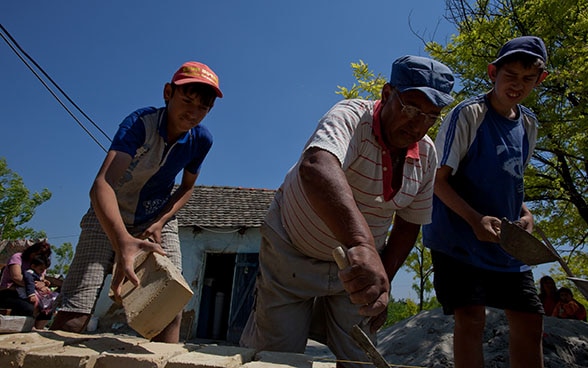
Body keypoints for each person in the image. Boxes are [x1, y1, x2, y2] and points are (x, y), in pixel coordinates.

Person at [240, 55, 455, 367]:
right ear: (386, 94)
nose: (418, 125)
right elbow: (315, 167)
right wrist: (362, 244)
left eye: (430, 116)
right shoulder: (352, 117)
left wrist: (382, 280)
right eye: (410, 108)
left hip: (356, 267)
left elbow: (409, 223)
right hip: (292, 251)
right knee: (277, 355)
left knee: (359, 357)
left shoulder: (426, 156)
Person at [50, 61, 223, 343]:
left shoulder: (201, 140)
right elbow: (101, 185)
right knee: (76, 309)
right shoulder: (140, 124)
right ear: (168, 93)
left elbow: (187, 188)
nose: (192, 112)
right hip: (108, 214)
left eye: (202, 108)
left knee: (169, 302)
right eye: (187, 100)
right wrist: (122, 241)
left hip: (154, 218)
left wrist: (161, 221)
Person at [422, 36, 549, 368]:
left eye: (528, 78)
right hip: (458, 237)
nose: (517, 85)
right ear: (493, 72)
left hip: (505, 241)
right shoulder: (468, 115)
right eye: (510, 75)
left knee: (530, 319)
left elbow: (511, 180)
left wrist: (525, 213)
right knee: (471, 317)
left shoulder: (529, 124)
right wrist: (475, 219)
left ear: (540, 80)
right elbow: (437, 181)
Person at [0, 240, 53, 328]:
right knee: (27, 308)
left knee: (47, 309)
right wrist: (33, 286)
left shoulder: (41, 264)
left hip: (31, 293)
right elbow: (16, 277)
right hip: (10, 292)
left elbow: (41, 279)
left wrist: (43, 284)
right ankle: (17, 330)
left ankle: (38, 330)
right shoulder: (17, 257)